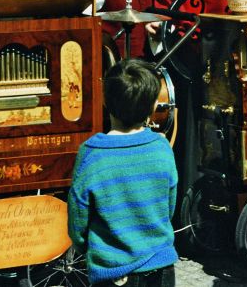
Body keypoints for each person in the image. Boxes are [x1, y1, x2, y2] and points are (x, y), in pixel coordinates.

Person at [68, 59, 178, 286]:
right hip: (161, 267)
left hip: (114, 272)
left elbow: (78, 220)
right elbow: (169, 206)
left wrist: (87, 248)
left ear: (105, 101)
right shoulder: (161, 147)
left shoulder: (92, 153)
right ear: (151, 107)